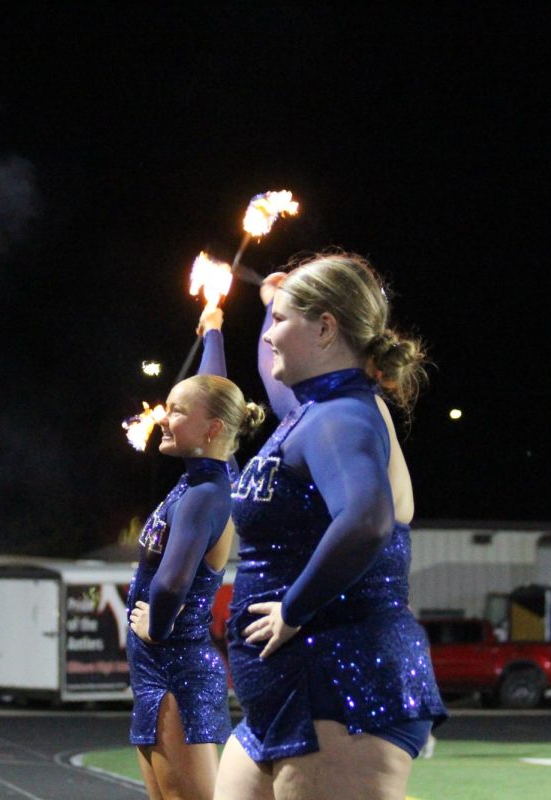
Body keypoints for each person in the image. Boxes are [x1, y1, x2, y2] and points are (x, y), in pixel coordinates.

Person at [214, 251, 446, 800]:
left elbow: (367, 520)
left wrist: (295, 608)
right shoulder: (313, 411)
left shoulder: (343, 415)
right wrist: (268, 309)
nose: (270, 337)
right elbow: (276, 383)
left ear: (324, 328)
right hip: (291, 693)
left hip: (339, 687)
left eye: (283, 324)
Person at [126, 308, 266, 800]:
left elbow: (169, 583)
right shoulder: (206, 473)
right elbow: (215, 391)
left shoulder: (205, 495)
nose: (164, 416)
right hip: (156, 672)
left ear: (210, 430)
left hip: (176, 671)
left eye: (177, 410)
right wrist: (213, 331)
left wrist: (154, 627)